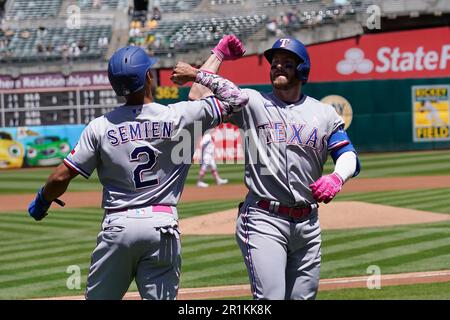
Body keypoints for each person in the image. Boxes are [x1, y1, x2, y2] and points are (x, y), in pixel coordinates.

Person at [27, 43, 247, 300]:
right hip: (162, 226)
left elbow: (60, 177)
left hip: (118, 225)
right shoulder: (177, 116)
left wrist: (42, 201)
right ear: (148, 77)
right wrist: (205, 65)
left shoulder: (100, 127)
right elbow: (235, 98)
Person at [189, 36, 361, 300]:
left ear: (302, 70)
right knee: (270, 298)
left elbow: (347, 154)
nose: (278, 67)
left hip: (308, 225)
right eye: (274, 63)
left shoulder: (324, 113)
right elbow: (197, 95)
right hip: (264, 218)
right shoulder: (252, 103)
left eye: (286, 63)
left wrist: (338, 177)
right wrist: (219, 53)